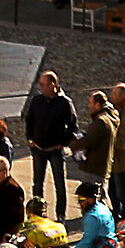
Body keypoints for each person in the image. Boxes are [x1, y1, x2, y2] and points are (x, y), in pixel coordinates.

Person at [25, 69, 79, 218]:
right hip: (38, 148)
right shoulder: (37, 100)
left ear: (52, 85)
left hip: (55, 149)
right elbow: (29, 120)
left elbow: (73, 126)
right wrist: (30, 138)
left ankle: (60, 215)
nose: (41, 88)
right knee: (37, 184)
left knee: (59, 185)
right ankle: (37, 214)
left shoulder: (64, 102)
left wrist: (63, 143)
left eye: (43, 85)